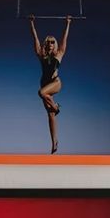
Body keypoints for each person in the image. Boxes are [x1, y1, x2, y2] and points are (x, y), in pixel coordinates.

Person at [28, 16, 72, 154]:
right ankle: (54, 142)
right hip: (44, 83)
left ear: (55, 44)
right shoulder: (42, 55)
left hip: (55, 83)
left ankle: (56, 107)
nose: (50, 44)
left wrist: (68, 23)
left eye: (52, 42)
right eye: (48, 42)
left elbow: (65, 39)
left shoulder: (59, 54)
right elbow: (35, 40)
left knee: (41, 93)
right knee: (51, 115)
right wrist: (32, 24)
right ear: (45, 44)